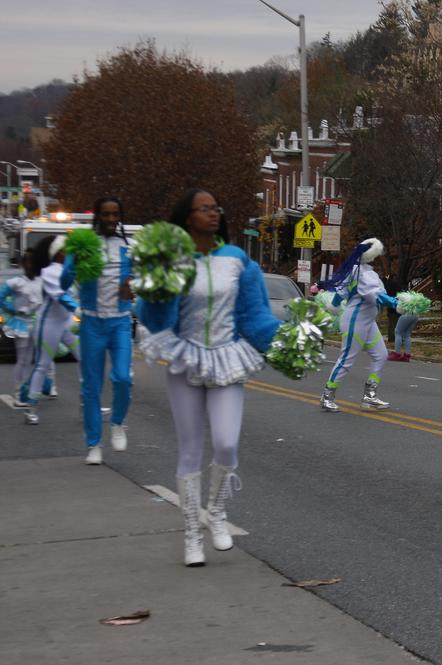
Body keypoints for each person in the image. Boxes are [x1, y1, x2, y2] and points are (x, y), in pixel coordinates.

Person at [136, 189, 282, 567]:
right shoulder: (172, 259)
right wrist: (152, 292)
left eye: (216, 207)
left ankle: (215, 511)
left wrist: (283, 340)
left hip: (227, 358)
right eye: (204, 209)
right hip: (185, 358)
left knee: (227, 443)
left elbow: (255, 314)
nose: (213, 213)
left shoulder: (236, 260)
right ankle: (191, 534)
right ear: (187, 217)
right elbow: (153, 317)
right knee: (189, 448)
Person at [62, 197, 134, 464]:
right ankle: (93, 444)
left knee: (123, 378)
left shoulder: (128, 247)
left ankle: (117, 422)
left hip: (120, 322)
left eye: (116, 214)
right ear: (98, 217)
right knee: (91, 386)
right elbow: (63, 280)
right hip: (92, 322)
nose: (111, 219)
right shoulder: (85, 245)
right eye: (106, 214)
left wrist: (134, 286)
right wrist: (74, 263)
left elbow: (142, 279)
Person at [319, 238, 397, 412]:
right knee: (347, 359)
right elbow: (374, 296)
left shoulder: (359, 272)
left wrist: (334, 305)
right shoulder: (362, 274)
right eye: (377, 255)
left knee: (381, 355)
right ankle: (327, 396)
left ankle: (370, 396)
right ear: (372, 257)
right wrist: (396, 303)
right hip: (355, 322)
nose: (379, 258)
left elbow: (340, 294)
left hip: (368, 322)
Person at [22, 236, 80, 427]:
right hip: (47, 325)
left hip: (65, 324)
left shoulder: (69, 272)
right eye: (69, 251)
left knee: (86, 359)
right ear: (60, 253)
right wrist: (78, 310)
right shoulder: (48, 272)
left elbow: (78, 294)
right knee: (43, 365)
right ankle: (31, 410)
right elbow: (60, 296)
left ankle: (88, 404)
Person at [1, 252, 42, 406]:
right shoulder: (16, 282)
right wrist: (13, 309)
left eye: (34, 262)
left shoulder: (41, 281)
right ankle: (18, 393)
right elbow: (1, 297)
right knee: (23, 359)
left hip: (37, 323)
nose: (31, 266)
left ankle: (28, 391)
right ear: (24, 265)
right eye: (29, 262)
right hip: (22, 324)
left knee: (34, 359)